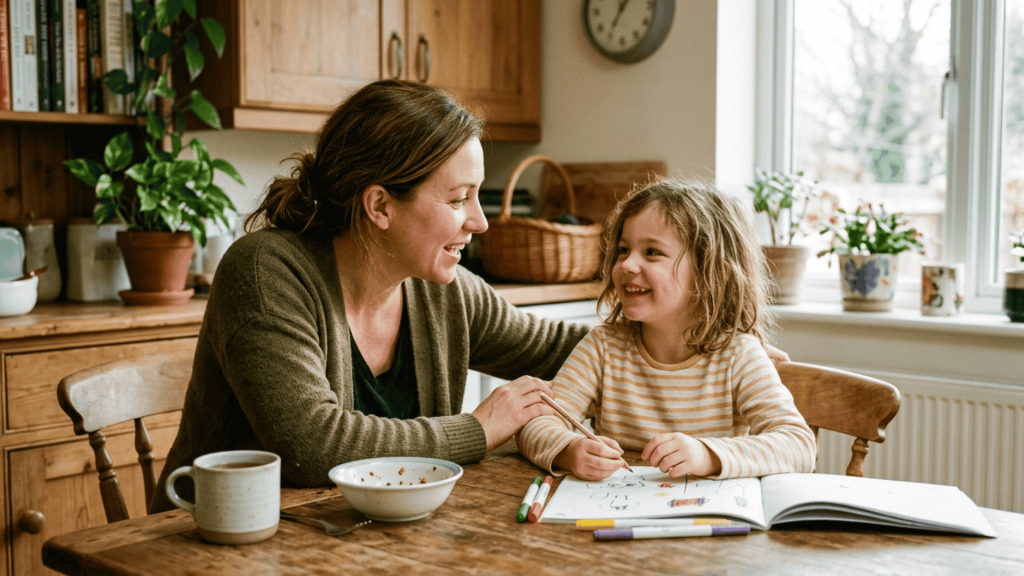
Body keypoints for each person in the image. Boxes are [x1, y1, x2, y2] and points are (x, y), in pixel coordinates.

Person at [150, 80, 586, 513]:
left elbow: (567, 350)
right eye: (459, 199)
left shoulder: (443, 292)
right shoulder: (266, 272)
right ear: (379, 205)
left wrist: (652, 311)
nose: (480, 222)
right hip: (219, 545)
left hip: (361, 539)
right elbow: (314, 445)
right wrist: (478, 429)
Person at [515, 178, 817, 481]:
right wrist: (569, 449)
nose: (626, 265)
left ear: (708, 272)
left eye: (652, 252)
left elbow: (798, 445)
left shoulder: (739, 356)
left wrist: (707, 455)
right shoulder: (602, 348)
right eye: (623, 249)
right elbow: (536, 423)